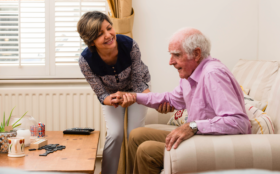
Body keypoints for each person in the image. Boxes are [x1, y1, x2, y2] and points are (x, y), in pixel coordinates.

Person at [111, 28, 251, 174]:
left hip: (216, 144)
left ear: (196, 54)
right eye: (170, 55)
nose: (170, 62)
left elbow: (238, 122)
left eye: (176, 55)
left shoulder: (213, 74)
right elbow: (170, 99)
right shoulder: (190, 75)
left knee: (147, 151)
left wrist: (194, 126)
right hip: (200, 137)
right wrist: (134, 97)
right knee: (136, 135)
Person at [77, 11, 155, 174]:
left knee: (134, 134)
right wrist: (111, 100)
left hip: (136, 89)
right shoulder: (85, 61)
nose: (108, 35)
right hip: (112, 95)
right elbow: (101, 93)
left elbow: (138, 82)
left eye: (109, 28)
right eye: (100, 34)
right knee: (115, 134)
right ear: (91, 41)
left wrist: (152, 100)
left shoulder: (130, 45)